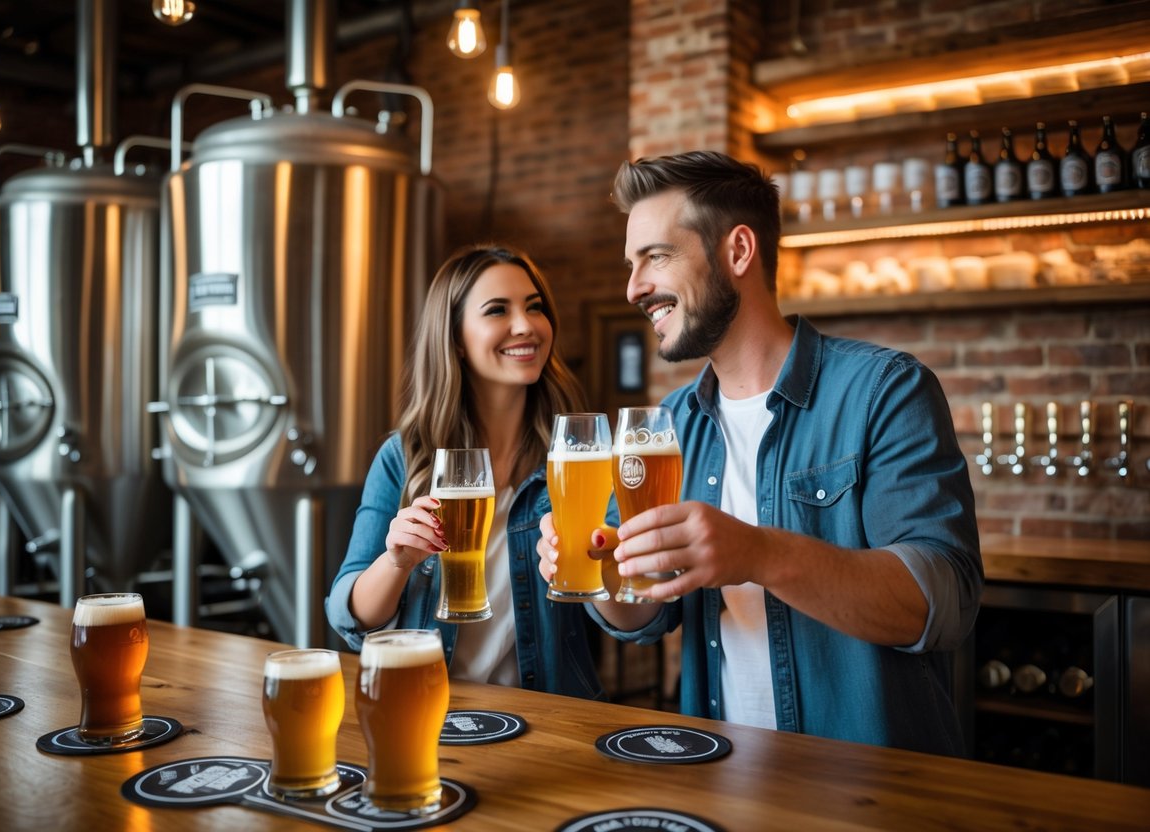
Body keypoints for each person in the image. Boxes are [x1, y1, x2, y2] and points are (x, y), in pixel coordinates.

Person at [537, 151, 982, 754]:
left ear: (738, 252)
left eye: (656, 257)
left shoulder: (885, 389)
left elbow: (943, 604)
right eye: (631, 264)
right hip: (720, 779)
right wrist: (604, 570)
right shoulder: (667, 424)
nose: (634, 287)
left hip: (874, 794)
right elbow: (643, 617)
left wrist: (757, 552)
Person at [327, 243, 603, 699]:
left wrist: (603, 559)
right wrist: (396, 561)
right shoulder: (405, 455)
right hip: (429, 711)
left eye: (535, 308)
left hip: (552, 717)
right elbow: (349, 614)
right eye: (497, 310)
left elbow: (626, 615)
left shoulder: (576, 460)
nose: (526, 326)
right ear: (455, 336)